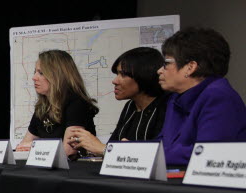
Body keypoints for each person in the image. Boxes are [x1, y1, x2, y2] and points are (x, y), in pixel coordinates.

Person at [155, 27, 246, 165]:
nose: (159, 70)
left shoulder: (219, 97)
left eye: (166, 63)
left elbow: (206, 153)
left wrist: (149, 155)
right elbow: (164, 142)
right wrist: (133, 150)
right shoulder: (176, 98)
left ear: (190, 67)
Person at [66, 47, 168, 157]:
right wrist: (88, 146)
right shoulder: (130, 106)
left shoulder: (167, 106)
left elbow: (155, 155)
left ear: (144, 75)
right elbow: (113, 145)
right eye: (117, 74)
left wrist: (102, 148)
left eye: (123, 74)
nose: (114, 81)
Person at [16, 50, 98, 155]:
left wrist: (35, 147)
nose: (34, 78)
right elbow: (23, 146)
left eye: (41, 73)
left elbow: (68, 150)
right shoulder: (43, 107)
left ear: (58, 76)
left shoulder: (77, 104)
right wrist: (31, 147)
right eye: (35, 72)